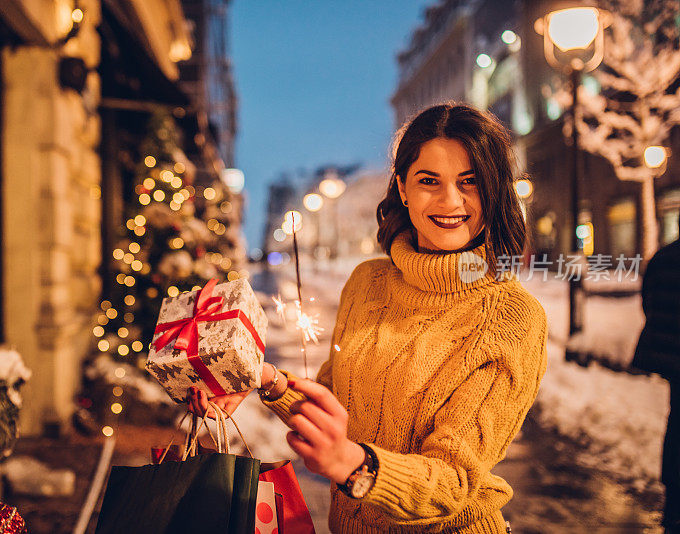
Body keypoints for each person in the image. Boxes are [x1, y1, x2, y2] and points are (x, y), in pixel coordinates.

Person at [189, 104, 548, 533]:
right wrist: (263, 380)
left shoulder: (511, 317)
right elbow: (336, 403)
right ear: (402, 186)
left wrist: (350, 463)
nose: (451, 201)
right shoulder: (368, 283)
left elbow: (452, 483)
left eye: (469, 182)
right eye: (428, 181)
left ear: (493, 189)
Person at [632, 227, 680, 533]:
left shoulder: (664, 256)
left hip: (671, 356)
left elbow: (647, 300)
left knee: (676, 422)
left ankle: (673, 499)